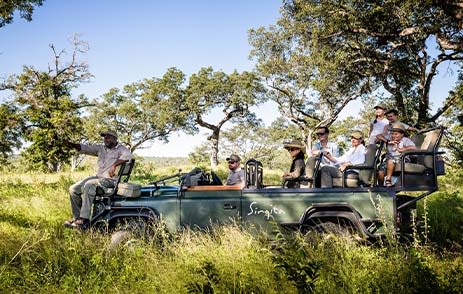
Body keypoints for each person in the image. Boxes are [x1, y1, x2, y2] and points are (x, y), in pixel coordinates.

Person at [64, 131, 132, 229]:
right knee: (73, 189)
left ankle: (84, 219)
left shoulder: (121, 149)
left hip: (111, 181)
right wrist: (71, 144)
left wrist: (114, 164)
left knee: (89, 184)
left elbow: (128, 156)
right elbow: (85, 148)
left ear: (114, 138)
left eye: (108, 137)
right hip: (98, 178)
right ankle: (77, 218)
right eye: (104, 138)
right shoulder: (101, 148)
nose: (105, 140)